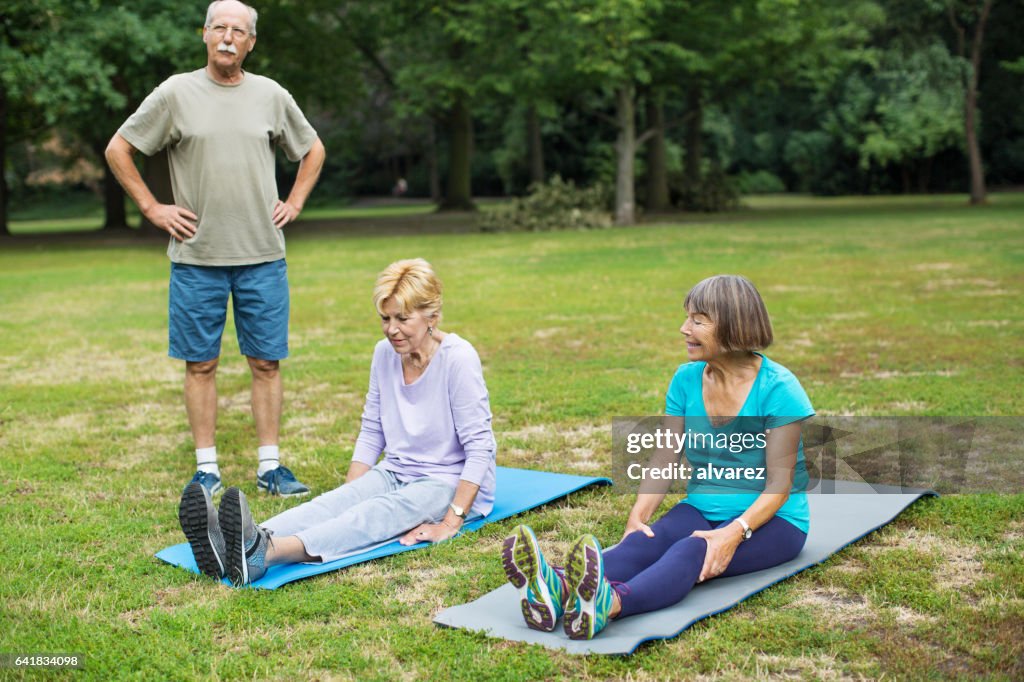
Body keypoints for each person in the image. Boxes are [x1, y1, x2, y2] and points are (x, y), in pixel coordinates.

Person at [501, 274, 814, 639]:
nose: (684, 329)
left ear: (733, 326)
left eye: (698, 320)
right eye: (686, 318)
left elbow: (780, 486)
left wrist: (733, 533)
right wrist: (640, 514)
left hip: (774, 523)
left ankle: (609, 604)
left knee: (691, 550)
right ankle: (557, 588)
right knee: (645, 542)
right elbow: (666, 456)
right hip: (703, 505)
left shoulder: (779, 388)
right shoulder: (686, 380)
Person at [105, 1, 327, 497]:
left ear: (251, 42)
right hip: (196, 258)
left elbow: (312, 149)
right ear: (204, 35)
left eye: (239, 31)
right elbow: (118, 148)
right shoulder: (175, 93)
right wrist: (151, 207)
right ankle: (207, 470)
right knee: (200, 364)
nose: (228, 38)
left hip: (262, 256)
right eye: (219, 28)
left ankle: (271, 467)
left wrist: (294, 200)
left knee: (266, 362)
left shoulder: (271, 95)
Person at [178, 258, 497, 585]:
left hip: (446, 481)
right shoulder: (384, 353)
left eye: (402, 318)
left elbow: (480, 447)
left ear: (432, 316)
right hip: (397, 469)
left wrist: (451, 521)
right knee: (331, 504)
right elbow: (372, 430)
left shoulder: (458, 357)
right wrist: (351, 493)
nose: (392, 329)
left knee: (374, 515)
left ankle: (267, 553)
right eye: (385, 318)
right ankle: (235, 545)